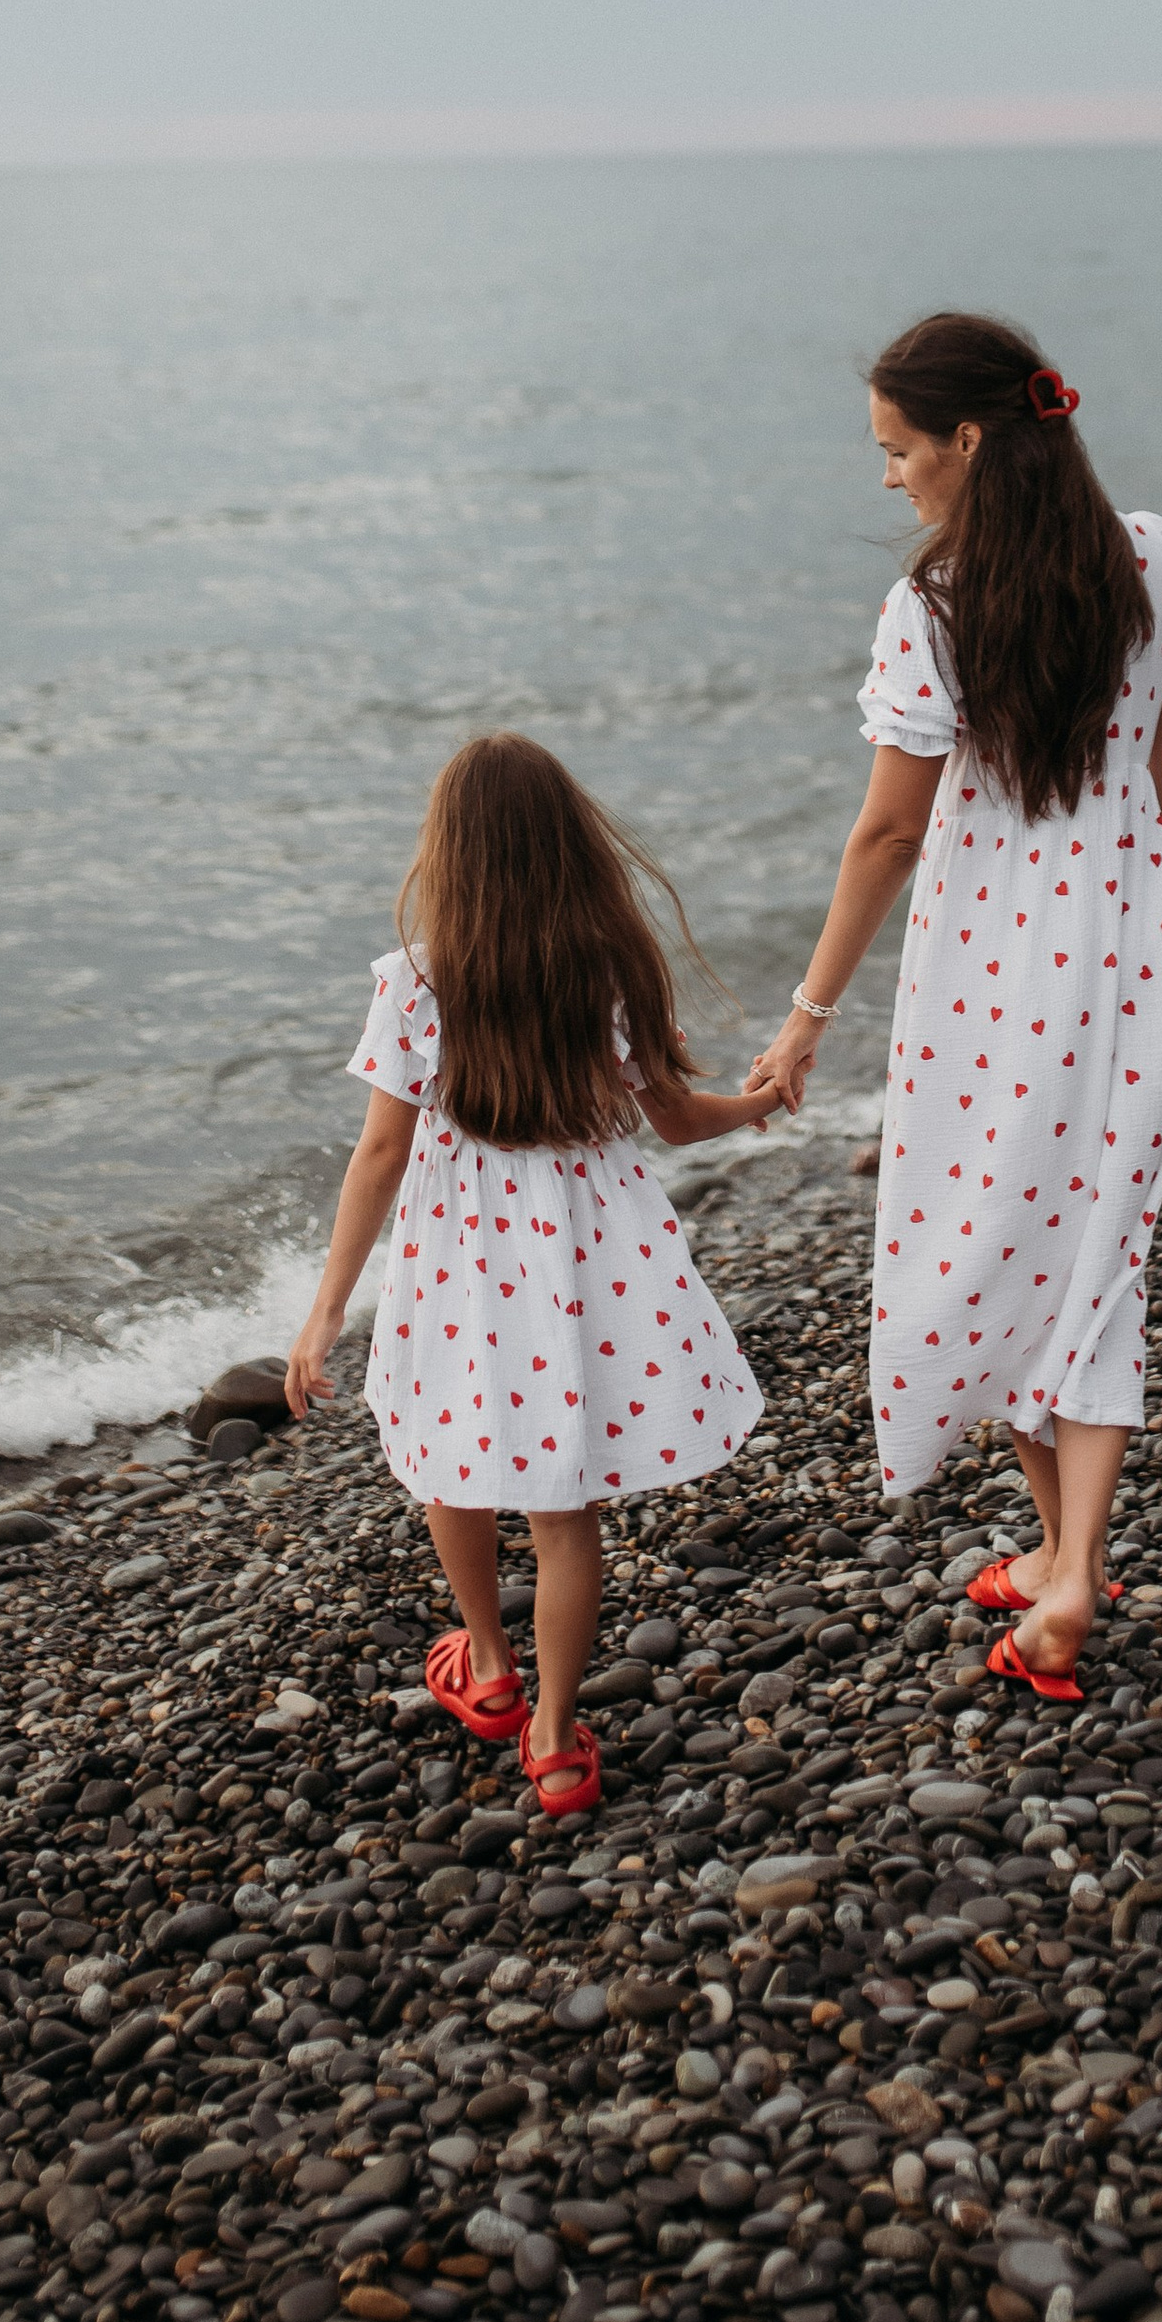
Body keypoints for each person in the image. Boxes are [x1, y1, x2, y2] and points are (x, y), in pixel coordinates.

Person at [747, 311, 1162, 1706]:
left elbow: (888, 835)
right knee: (1093, 1243)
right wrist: (1140, 916)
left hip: (992, 970)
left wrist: (808, 1011)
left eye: (898, 449)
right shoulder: (1154, 551)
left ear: (968, 438)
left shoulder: (932, 608)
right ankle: (1065, 1545)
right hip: (1134, 936)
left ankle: (1071, 1573)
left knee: (1005, 1229)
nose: (887, 476)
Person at [286, 733, 777, 1815]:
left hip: (457, 1253)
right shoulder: (611, 964)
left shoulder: (415, 980)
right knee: (565, 1506)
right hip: (582, 1254)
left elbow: (378, 1154)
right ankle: (554, 1739)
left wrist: (324, 1313)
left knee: (450, 1453)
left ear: (449, 853)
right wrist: (762, 1098)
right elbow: (680, 1119)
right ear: (570, 843)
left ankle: (491, 1664)